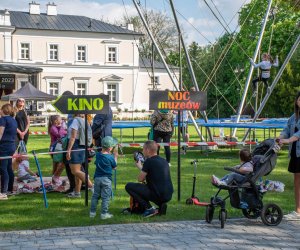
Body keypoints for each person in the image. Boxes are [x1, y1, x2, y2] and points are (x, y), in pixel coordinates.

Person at [125, 140, 174, 217]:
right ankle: (161, 205)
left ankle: (149, 208)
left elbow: (140, 179)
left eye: (143, 149)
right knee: (146, 187)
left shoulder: (149, 161)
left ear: (148, 150)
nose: (142, 151)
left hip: (157, 194)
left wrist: (140, 167)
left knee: (129, 186)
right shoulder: (164, 160)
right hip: (168, 195)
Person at [278, 92, 300, 220]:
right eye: (299, 99)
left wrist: (288, 140)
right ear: (296, 101)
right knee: (297, 181)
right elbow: (286, 129)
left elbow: (298, 134)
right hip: (295, 153)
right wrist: (280, 138)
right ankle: (298, 211)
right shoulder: (294, 117)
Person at [90, 136, 118, 219]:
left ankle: (92, 213)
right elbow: (114, 167)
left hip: (97, 179)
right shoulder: (110, 157)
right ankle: (104, 214)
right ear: (110, 148)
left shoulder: (98, 155)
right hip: (106, 180)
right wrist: (115, 157)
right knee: (105, 197)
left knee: (95, 196)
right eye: (112, 146)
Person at [66, 114, 93, 198]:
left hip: (75, 146)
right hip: (83, 146)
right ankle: (77, 192)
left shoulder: (75, 120)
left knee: (75, 171)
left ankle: (92, 187)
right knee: (78, 170)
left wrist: (69, 150)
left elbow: (73, 137)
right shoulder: (85, 120)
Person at [0, 104, 18, 199]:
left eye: (0, 109)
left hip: (4, 146)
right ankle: (10, 189)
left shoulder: (3, 119)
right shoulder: (13, 120)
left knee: (3, 168)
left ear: (4, 110)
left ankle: (3, 192)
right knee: (8, 167)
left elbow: (1, 132)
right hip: (11, 146)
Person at [48, 115, 67, 185]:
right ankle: (55, 180)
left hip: (58, 148)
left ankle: (55, 179)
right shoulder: (53, 128)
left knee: (58, 163)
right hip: (54, 148)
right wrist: (63, 127)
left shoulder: (57, 127)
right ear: (56, 121)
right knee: (56, 164)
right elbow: (59, 134)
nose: (62, 121)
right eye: (60, 119)